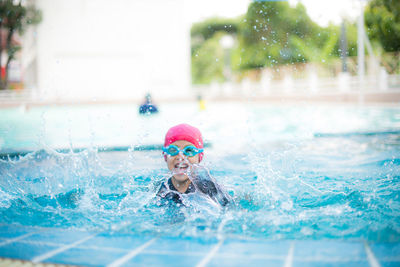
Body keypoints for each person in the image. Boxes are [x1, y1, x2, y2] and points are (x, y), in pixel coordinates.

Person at [156, 123, 231, 207]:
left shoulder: (210, 189)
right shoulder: (158, 191)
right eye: (173, 150)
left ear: (199, 157)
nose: (181, 157)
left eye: (189, 150)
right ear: (165, 156)